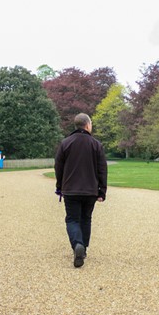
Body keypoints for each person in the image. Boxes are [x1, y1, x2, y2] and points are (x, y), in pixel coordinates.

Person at [54, 113, 108, 268]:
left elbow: (59, 167)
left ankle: (77, 244)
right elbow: (102, 169)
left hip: (71, 189)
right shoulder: (96, 144)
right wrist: (102, 191)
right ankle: (82, 248)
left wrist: (59, 187)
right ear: (87, 125)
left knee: (72, 219)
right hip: (90, 190)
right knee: (86, 218)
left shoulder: (65, 143)